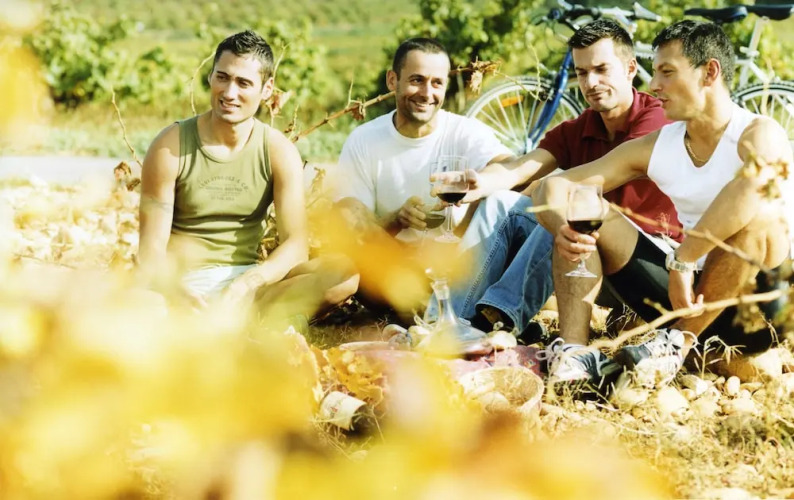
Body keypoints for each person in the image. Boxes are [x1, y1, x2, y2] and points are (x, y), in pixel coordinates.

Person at [532, 20, 793, 386]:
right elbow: (552, 186)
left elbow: (752, 187)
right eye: (654, 72)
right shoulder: (659, 145)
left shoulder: (759, 132)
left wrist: (683, 259)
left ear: (709, 72)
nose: (653, 85)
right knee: (586, 209)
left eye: (667, 72)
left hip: (759, 311)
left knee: (759, 216)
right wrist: (562, 225)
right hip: (681, 298)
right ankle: (574, 357)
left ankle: (676, 346)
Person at [437, 19, 681, 339]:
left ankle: (497, 321)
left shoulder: (654, 119)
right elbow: (521, 168)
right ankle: (444, 321)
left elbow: (573, 190)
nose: (591, 82)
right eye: (582, 72)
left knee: (564, 207)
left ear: (630, 68)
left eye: (601, 69)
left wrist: (548, 197)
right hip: (583, 257)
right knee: (500, 203)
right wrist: (479, 183)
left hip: (648, 259)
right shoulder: (579, 128)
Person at [137, 30, 358, 324]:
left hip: (251, 289)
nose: (229, 93)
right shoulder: (170, 145)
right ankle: (209, 324)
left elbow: (295, 245)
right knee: (139, 305)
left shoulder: (278, 150)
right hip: (182, 286)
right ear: (210, 77)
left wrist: (247, 284)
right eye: (222, 77)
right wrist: (177, 291)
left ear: (267, 89)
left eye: (243, 83)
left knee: (342, 273)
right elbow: (150, 249)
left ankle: (248, 321)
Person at [333, 37, 514, 315]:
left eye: (437, 83)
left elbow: (511, 168)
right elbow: (353, 226)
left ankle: (439, 309)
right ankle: (430, 310)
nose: (427, 93)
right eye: (417, 80)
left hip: (461, 266)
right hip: (393, 271)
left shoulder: (464, 132)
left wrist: (472, 204)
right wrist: (397, 220)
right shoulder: (364, 140)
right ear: (392, 80)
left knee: (502, 198)